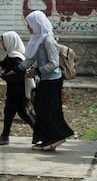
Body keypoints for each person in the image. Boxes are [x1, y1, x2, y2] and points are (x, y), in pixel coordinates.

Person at [14, 10, 74, 151]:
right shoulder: (37, 40)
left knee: (48, 110)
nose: (28, 28)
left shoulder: (48, 40)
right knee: (40, 109)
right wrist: (17, 69)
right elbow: (30, 59)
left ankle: (56, 136)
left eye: (30, 25)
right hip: (45, 80)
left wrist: (37, 71)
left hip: (52, 81)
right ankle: (47, 138)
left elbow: (53, 63)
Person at [0, 31, 36, 145]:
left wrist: (5, 76)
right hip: (13, 90)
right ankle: (39, 133)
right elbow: (3, 66)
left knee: (10, 112)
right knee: (22, 112)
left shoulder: (17, 58)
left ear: (10, 42)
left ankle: (5, 136)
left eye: (4, 42)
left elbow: (18, 75)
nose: (2, 45)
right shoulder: (11, 55)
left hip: (17, 91)